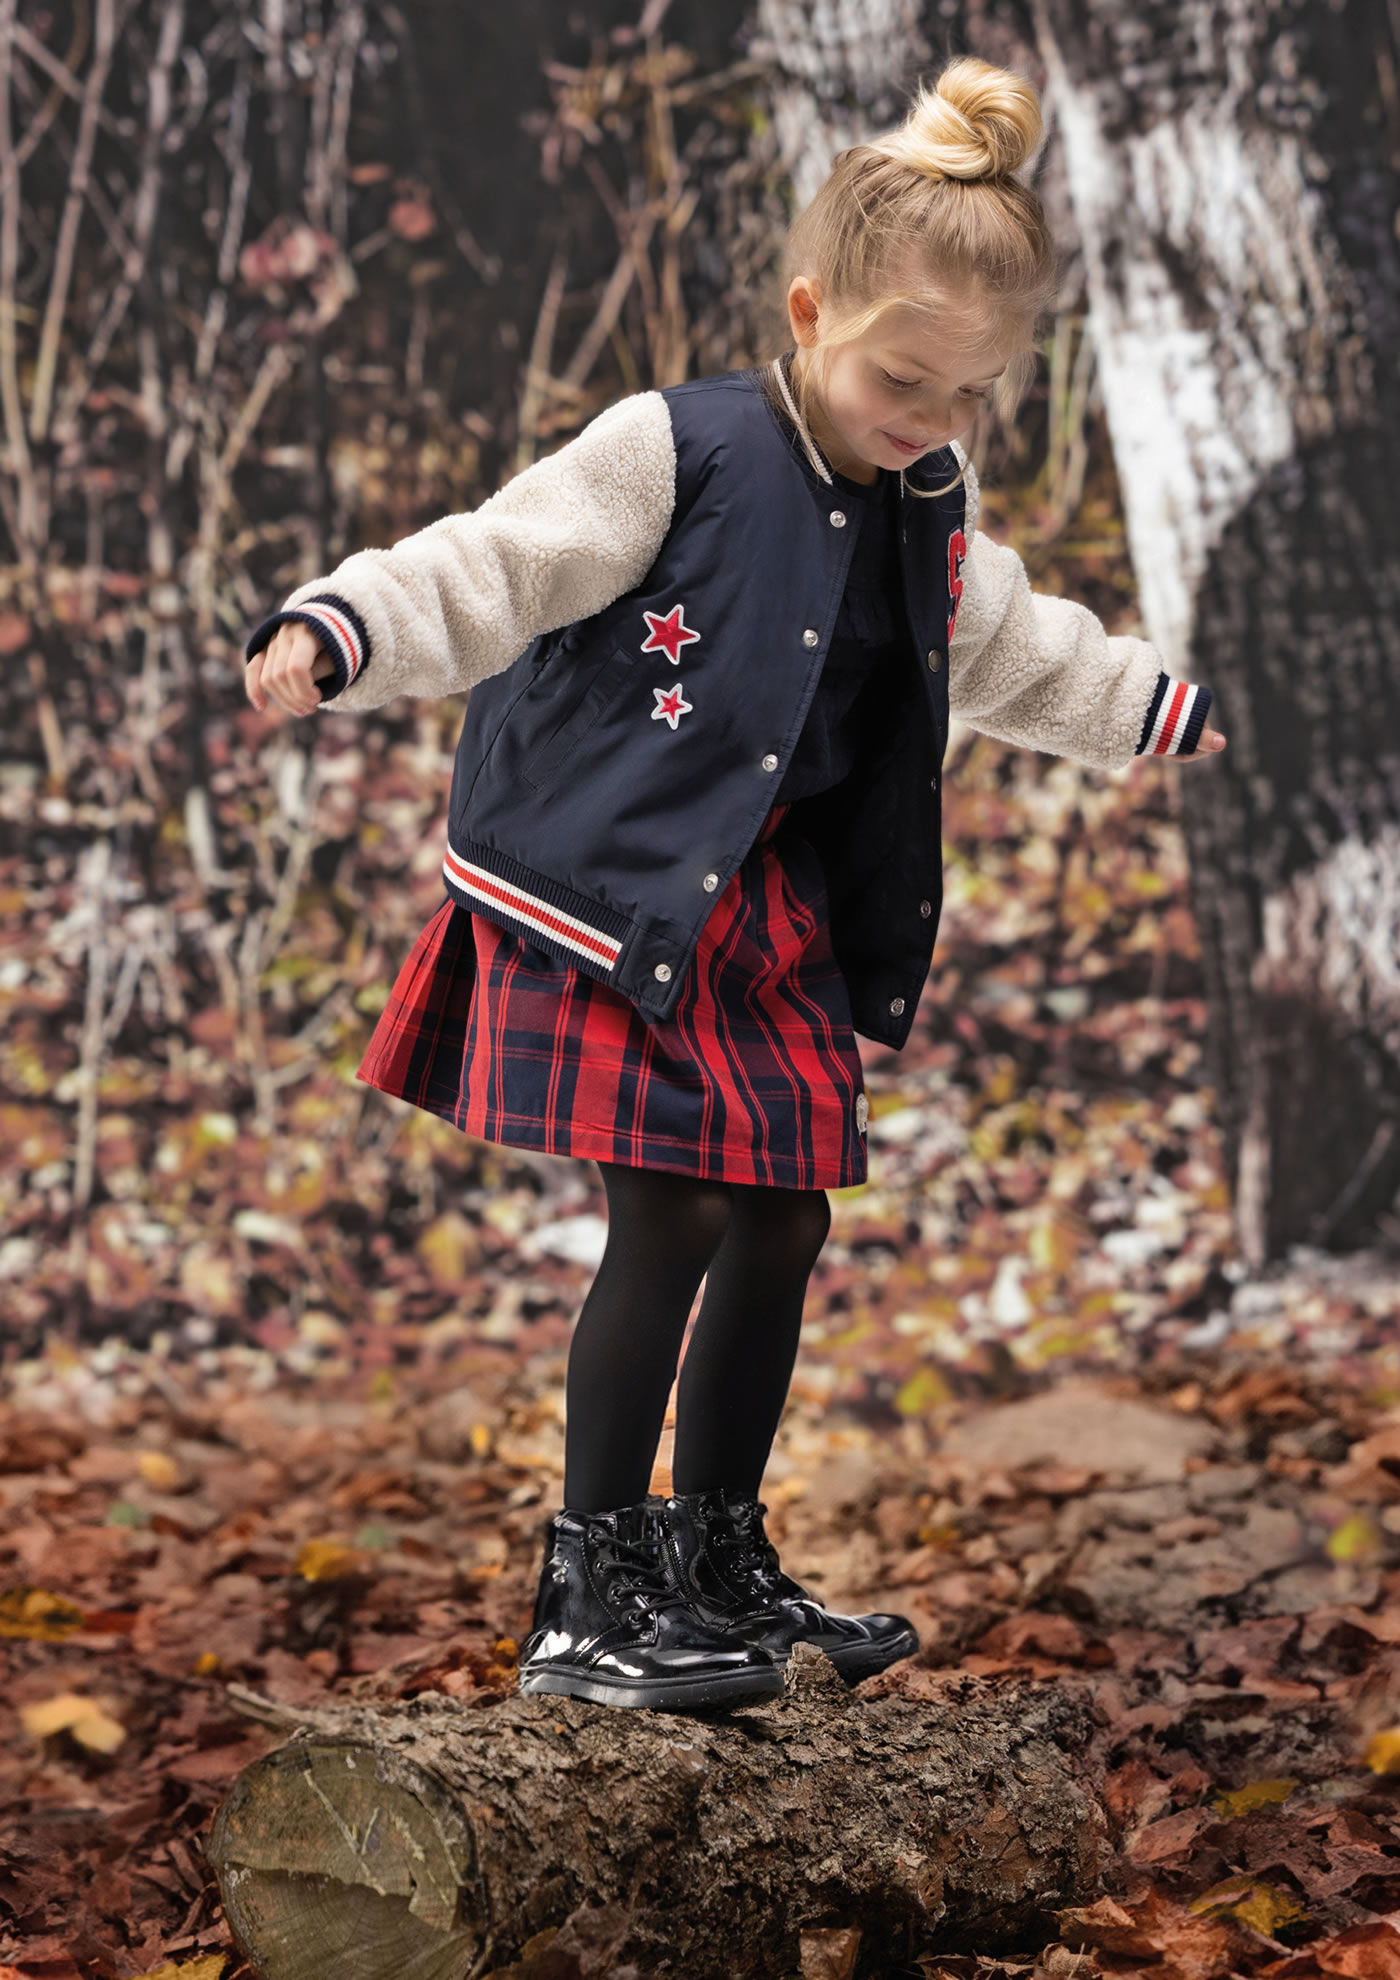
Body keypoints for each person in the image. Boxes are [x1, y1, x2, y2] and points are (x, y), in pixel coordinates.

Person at [244, 56, 1225, 1716]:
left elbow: (1009, 648)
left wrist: (1148, 705)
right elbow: (494, 564)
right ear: (808, 310)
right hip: (605, 894)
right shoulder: (673, 449)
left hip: (754, 918)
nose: (931, 419)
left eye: (970, 394)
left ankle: (714, 1558)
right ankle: (587, 1592)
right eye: (902, 377)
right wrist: (345, 624)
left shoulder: (922, 503)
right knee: (676, 1207)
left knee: (785, 1210)